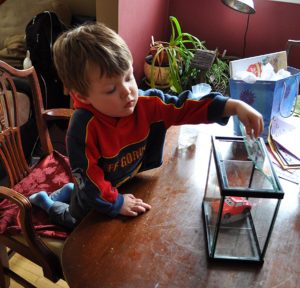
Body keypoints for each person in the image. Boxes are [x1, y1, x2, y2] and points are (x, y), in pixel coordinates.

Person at [28, 22, 264, 229]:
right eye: (111, 89)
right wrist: (117, 202)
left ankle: (69, 191)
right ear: (83, 95)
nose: (128, 92)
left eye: (129, 77)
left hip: (123, 182)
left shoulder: (147, 103)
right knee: (73, 219)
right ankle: (46, 202)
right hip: (94, 199)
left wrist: (232, 106)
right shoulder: (82, 127)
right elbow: (90, 181)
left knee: (78, 190)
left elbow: (186, 106)